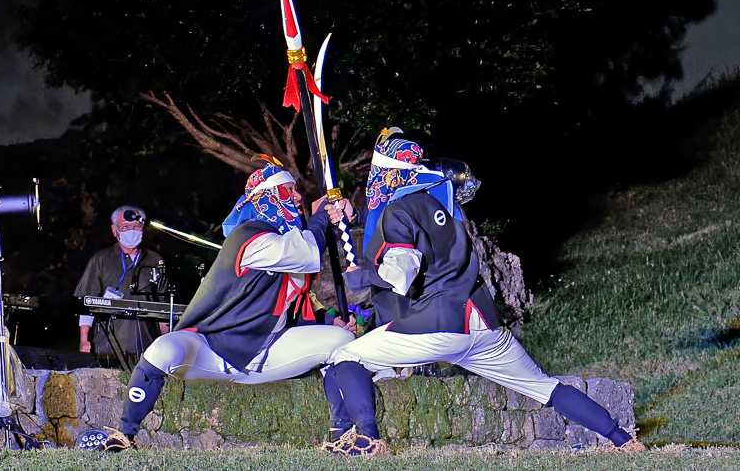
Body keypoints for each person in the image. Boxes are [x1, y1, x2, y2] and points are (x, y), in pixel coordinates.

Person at [321, 135, 646, 455]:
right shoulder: (445, 205)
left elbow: (401, 273)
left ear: (390, 175)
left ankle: (367, 440)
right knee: (546, 387)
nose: (374, 181)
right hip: (485, 325)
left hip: (441, 325)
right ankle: (623, 440)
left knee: (346, 356)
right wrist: (356, 217)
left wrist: (362, 276)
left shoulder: (399, 211)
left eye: (377, 173)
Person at [98, 161, 356, 452]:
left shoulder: (283, 244)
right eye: (290, 189)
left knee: (341, 339)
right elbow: (308, 251)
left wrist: (327, 320)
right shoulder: (249, 236)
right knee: (163, 349)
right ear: (269, 197)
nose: (298, 197)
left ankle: (343, 435)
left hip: (264, 351)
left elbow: (285, 308)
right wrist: (321, 216)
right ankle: (123, 436)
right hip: (214, 348)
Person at [74, 205, 168, 368]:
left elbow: (164, 309)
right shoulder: (100, 260)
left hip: (148, 348)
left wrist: (167, 344)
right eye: (125, 226)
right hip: (107, 347)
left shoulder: (156, 261)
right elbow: (86, 303)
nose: (132, 230)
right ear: (114, 230)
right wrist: (84, 339)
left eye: (136, 225)